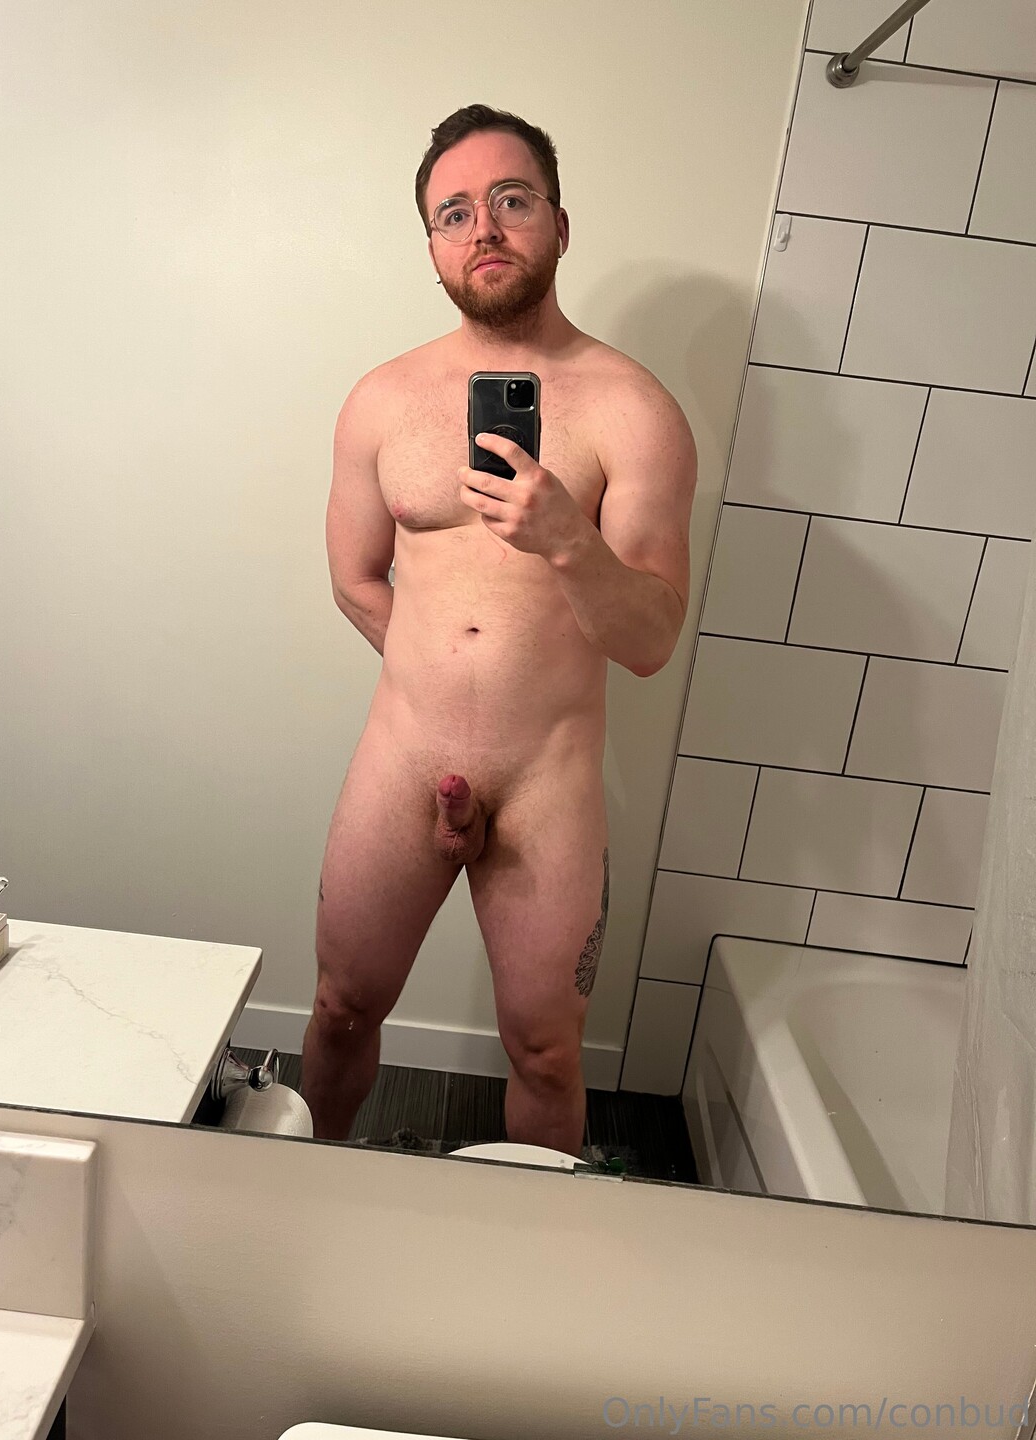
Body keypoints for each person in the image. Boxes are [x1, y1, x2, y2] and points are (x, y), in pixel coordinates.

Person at [300, 103, 697, 1155]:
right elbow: (354, 580)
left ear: (559, 225)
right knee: (341, 1005)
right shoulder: (381, 402)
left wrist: (568, 539)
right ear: (432, 245)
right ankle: (311, 1189)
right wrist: (446, 694)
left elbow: (651, 638)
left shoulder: (634, 411)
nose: (484, 227)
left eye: (512, 200)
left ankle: (535, 1241)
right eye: (455, 212)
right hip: (403, 757)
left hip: (548, 776)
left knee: (547, 1052)